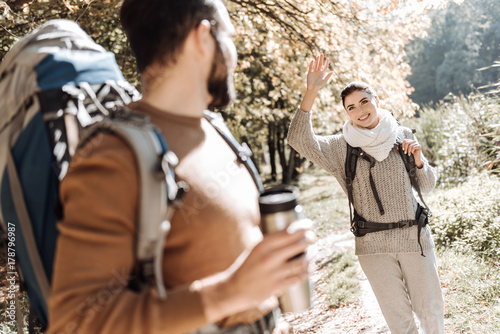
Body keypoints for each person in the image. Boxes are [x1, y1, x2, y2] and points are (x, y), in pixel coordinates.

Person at [47, 1, 313, 333]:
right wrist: (227, 293)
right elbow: (75, 322)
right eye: (228, 37)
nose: (234, 52)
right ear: (203, 37)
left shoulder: (214, 128)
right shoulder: (113, 157)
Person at [287, 54, 444, 334]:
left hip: (414, 239)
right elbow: (299, 139)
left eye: (364, 102)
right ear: (346, 113)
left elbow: (428, 185)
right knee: (401, 323)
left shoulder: (402, 134)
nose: (360, 110)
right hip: (373, 248)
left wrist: (419, 160)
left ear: (376, 102)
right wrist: (311, 91)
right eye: (351, 107)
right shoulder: (339, 148)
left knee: (431, 316)